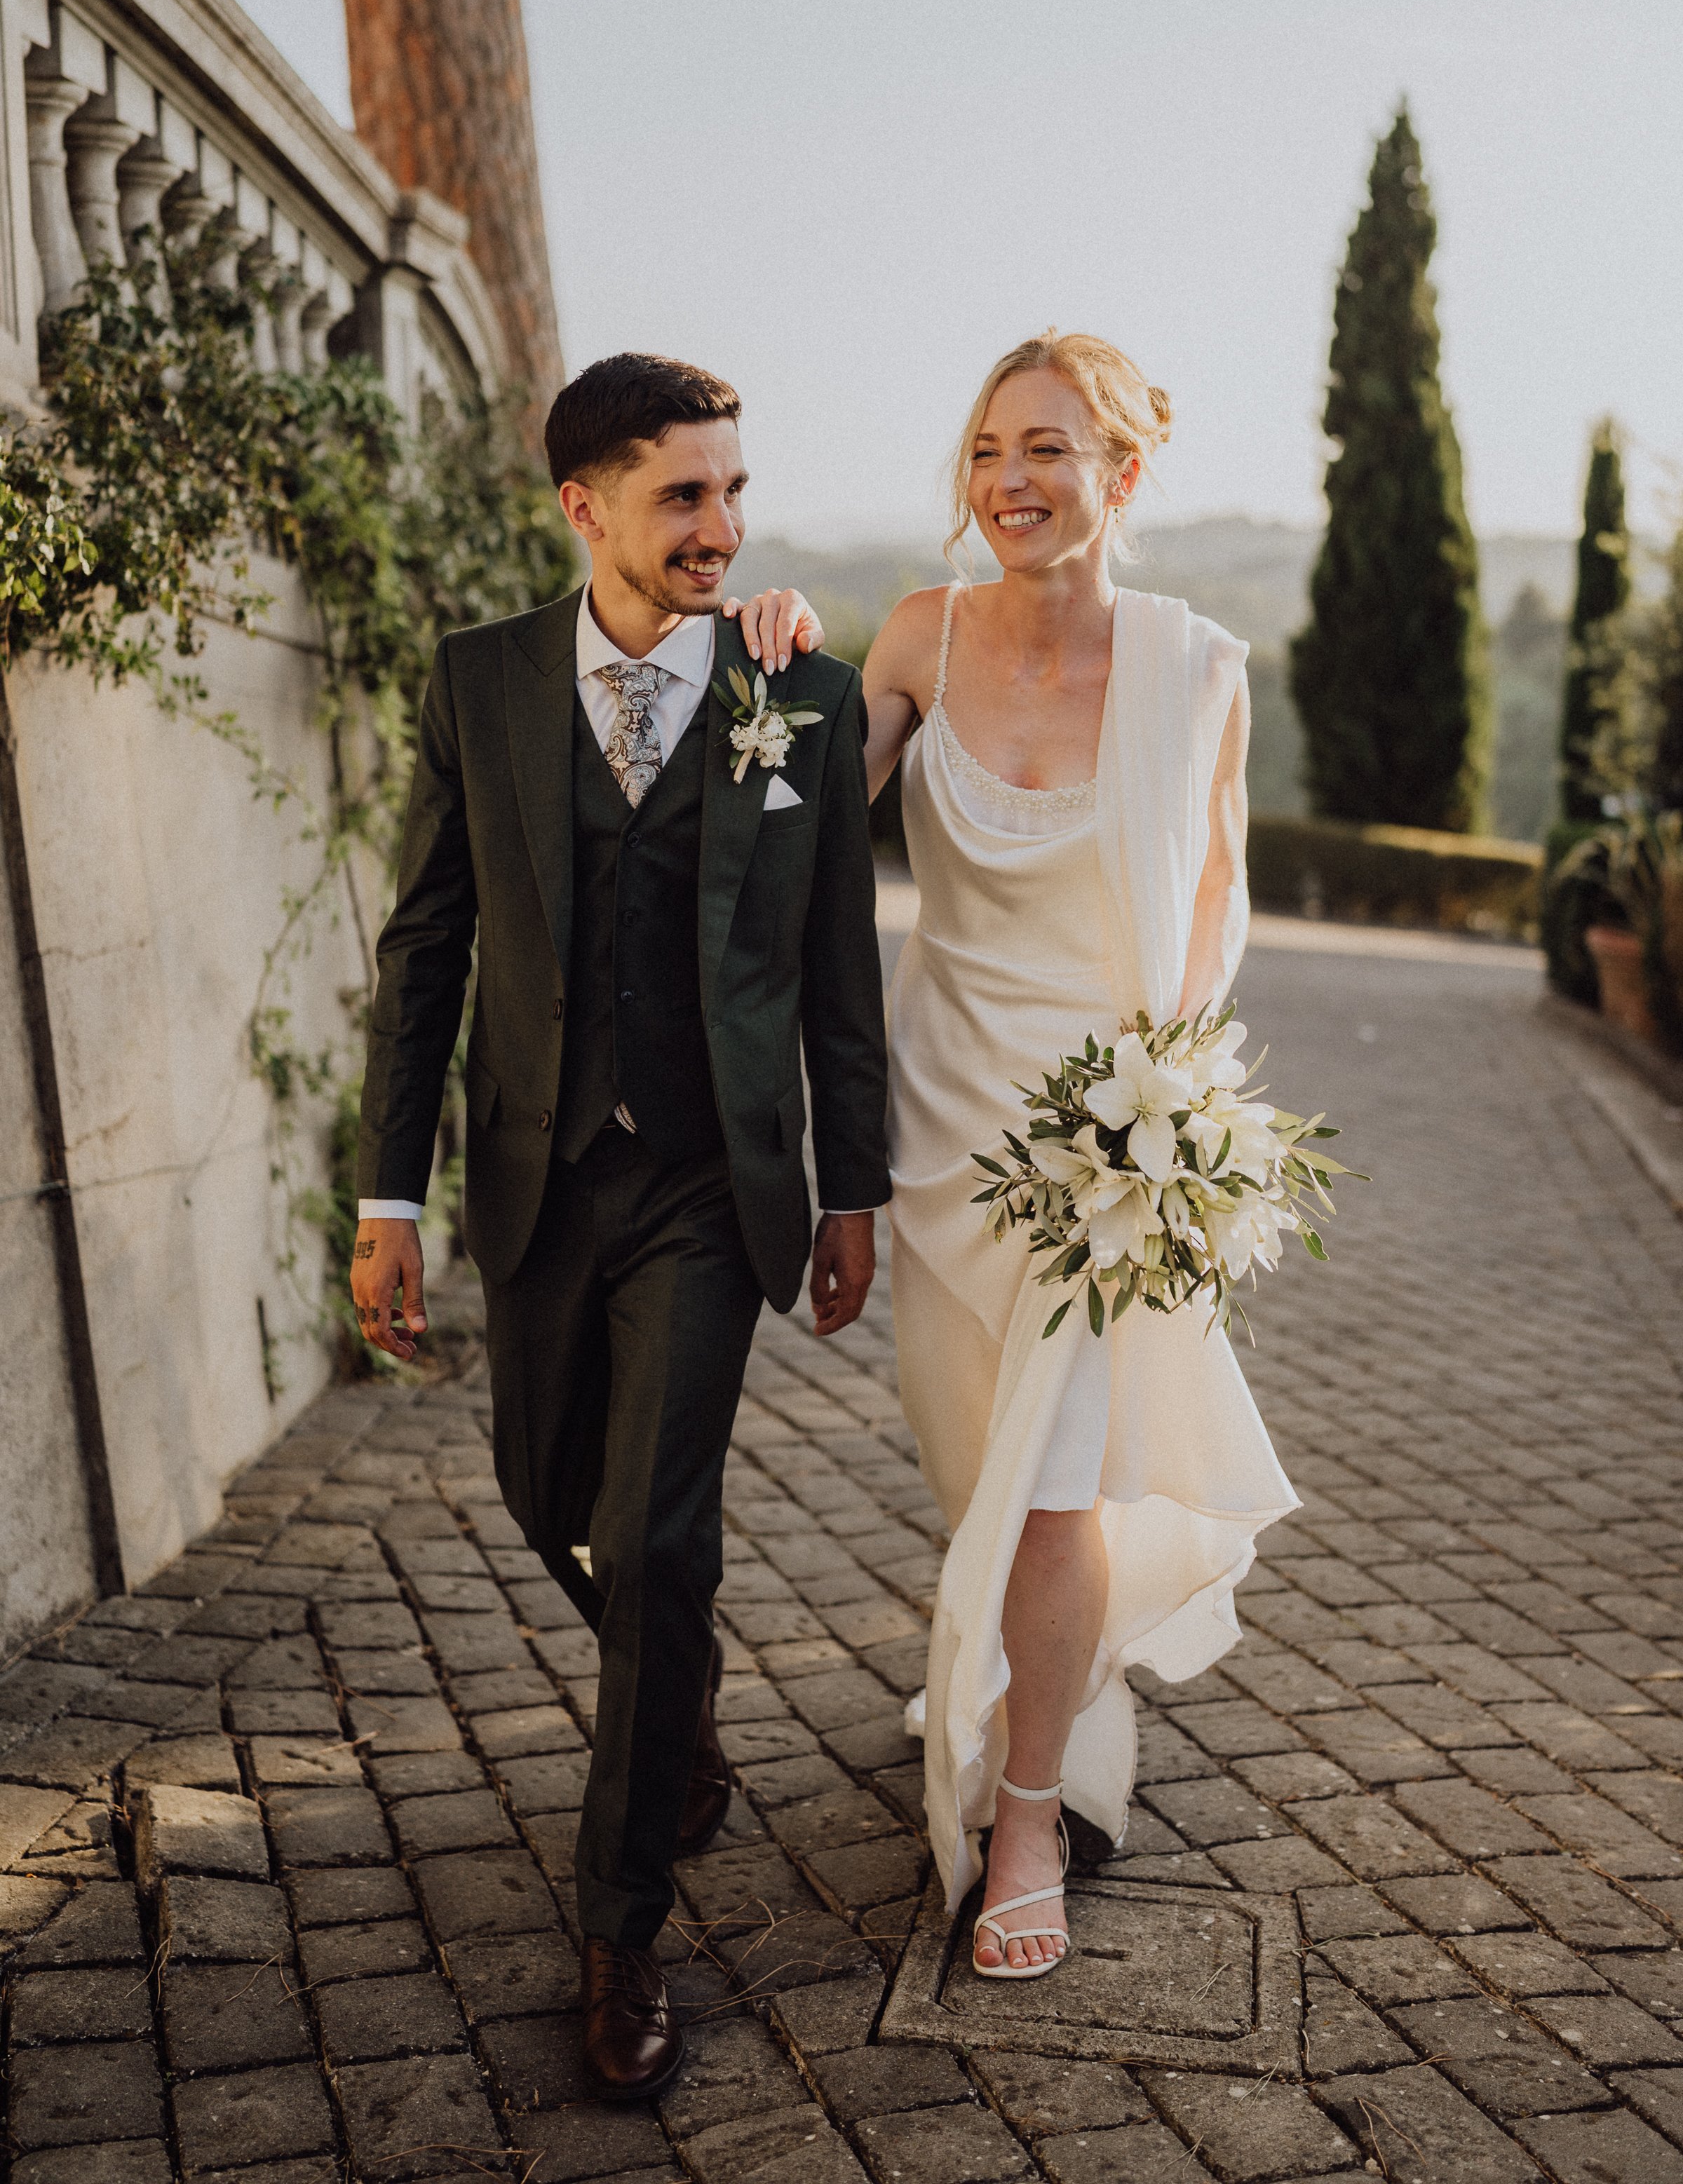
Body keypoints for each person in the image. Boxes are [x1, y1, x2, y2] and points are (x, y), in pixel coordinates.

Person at [351, 352, 890, 2097]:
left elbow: (834, 972)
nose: (721, 528)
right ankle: (682, 1722)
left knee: (658, 1545)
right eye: (684, 495)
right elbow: (429, 943)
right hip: (537, 1171)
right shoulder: (484, 682)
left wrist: (853, 1184)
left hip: (711, 1189)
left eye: (736, 492)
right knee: (542, 1496)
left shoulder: (796, 701)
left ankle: (621, 1933)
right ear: (583, 505)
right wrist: (389, 1192)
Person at [729, 330, 1296, 1979]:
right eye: (987, 452)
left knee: (1057, 1490)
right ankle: (1034, 1676)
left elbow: (1217, 891)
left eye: (1045, 450)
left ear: (1120, 473)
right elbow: (812, 815)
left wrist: (1176, 1099)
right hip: (943, 1126)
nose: (1008, 484)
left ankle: (1031, 1813)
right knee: (981, 1472)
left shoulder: (1201, 668)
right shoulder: (921, 631)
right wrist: (781, 668)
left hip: (1108, 1158)